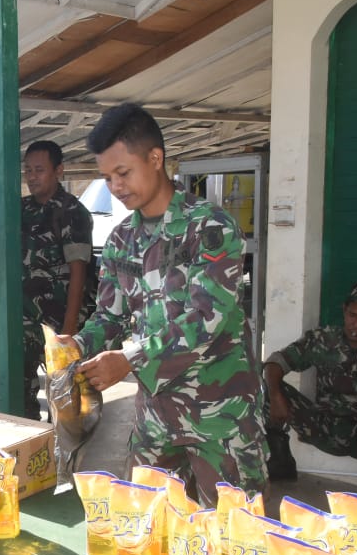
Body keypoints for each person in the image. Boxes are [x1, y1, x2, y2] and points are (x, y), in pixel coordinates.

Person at [64, 103, 267, 507]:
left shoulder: (209, 227)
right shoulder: (121, 239)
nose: (116, 186)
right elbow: (110, 315)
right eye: (107, 178)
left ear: (155, 159)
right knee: (146, 522)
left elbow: (206, 318)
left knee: (231, 531)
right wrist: (77, 345)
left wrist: (128, 360)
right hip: (155, 417)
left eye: (123, 173)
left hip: (219, 415)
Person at [263, 282, 357, 511]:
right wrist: (276, 395)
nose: (356, 324)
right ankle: (281, 462)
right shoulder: (324, 338)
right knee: (267, 386)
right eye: (352, 315)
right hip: (323, 427)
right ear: (344, 310)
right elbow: (275, 362)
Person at [21, 140, 95, 420]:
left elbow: (78, 273)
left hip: (60, 322)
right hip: (25, 322)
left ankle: (60, 447)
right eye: (28, 170)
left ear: (59, 171)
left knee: (64, 402)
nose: (32, 177)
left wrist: (69, 330)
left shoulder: (72, 213)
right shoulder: (20, 209)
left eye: (39, 170)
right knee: (21, 398)